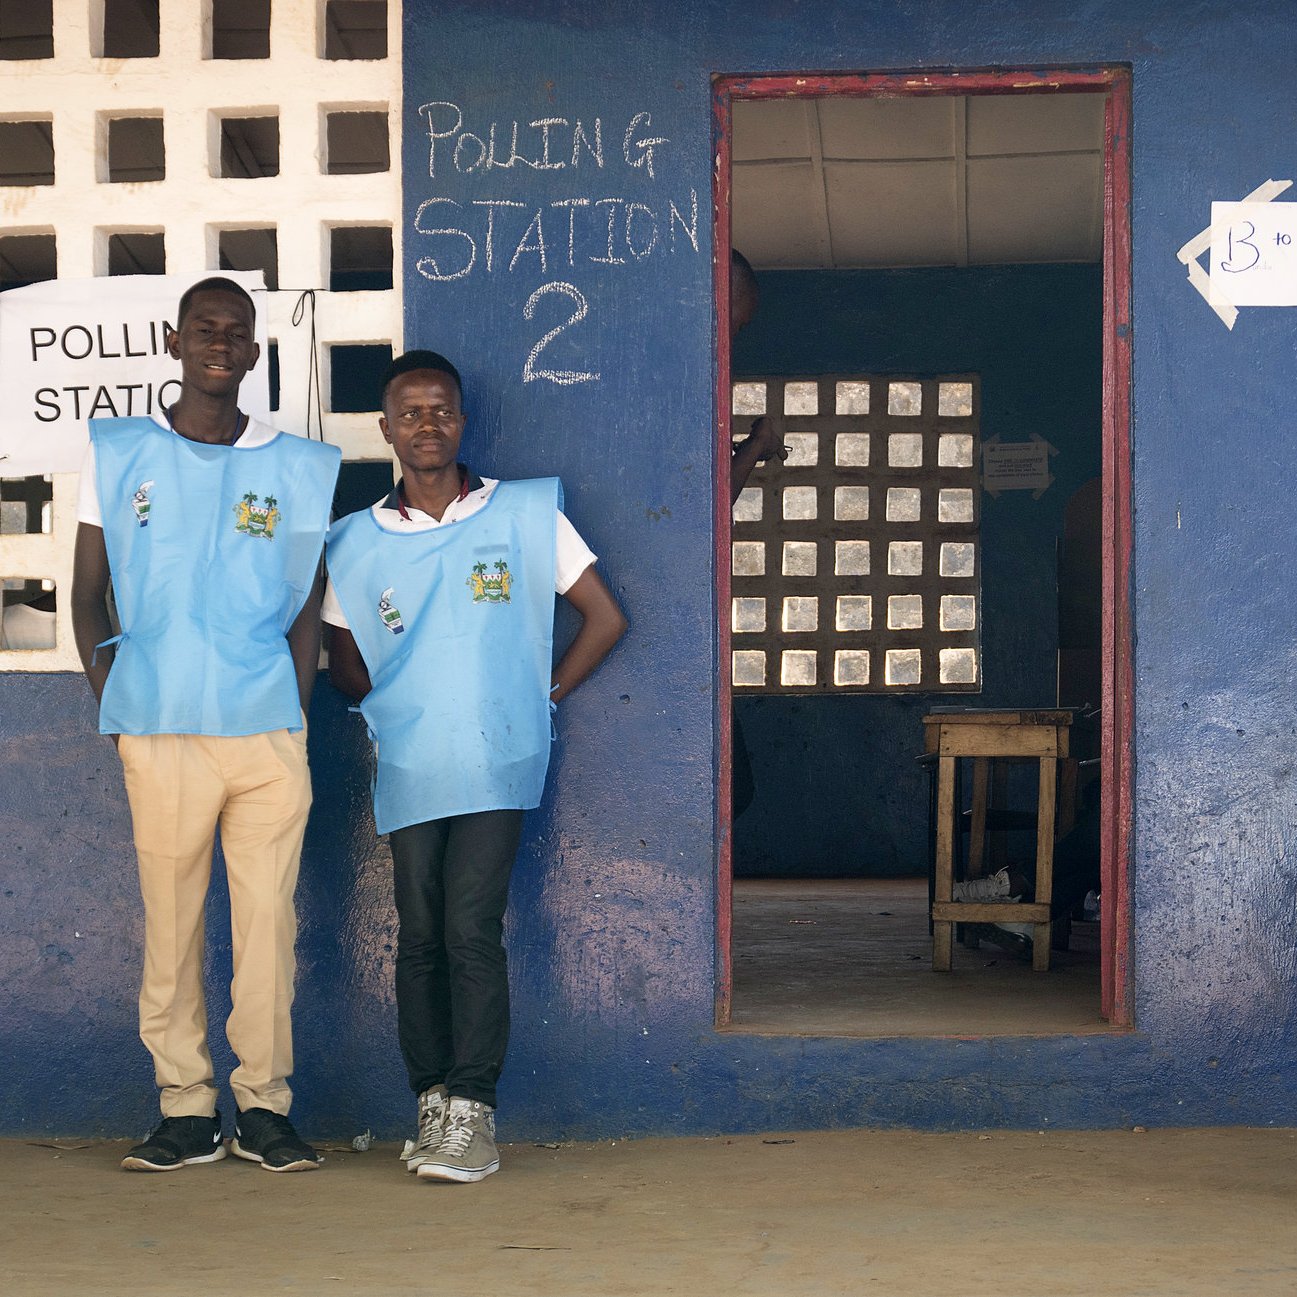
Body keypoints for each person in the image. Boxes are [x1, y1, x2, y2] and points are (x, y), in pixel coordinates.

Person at [324, 349, 626, 1183]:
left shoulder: (523, 514)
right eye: (410, 412)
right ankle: (429, 1099)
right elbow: (341, 654)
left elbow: (603, 617)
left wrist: (545, 695)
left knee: (468, 926)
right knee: (418, 935)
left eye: (442, 410)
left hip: (497, 755)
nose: (428, 425)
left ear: (462, 421)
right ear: (385, 429)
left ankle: (473, 1112)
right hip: (414, 759)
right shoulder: (354, 542)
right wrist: (386, 704)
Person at [70, 276, 340, 1173]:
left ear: (256, 353)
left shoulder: (295, 465)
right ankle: (185, 1108)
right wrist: (117, 695)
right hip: (159, 729)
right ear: (177, 342)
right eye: (203, 328)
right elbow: (84, 593)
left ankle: (264, 1108)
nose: (219, 342)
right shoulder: (115, 452)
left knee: (269, 927)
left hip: (264, 735)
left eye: (235, 331)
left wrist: (294, 712)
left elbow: (305, 607)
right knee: (172, 922)